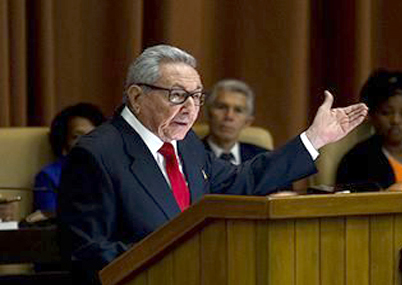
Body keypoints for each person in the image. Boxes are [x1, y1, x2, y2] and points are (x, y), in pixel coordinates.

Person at [58, 44, 367, 272]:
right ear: (137, 97)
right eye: (177, 95)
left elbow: (241, 180)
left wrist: (315, 139)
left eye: (197, 97)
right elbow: (88, 253)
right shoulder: (96, 154)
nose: (191, 109)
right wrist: (181, 259)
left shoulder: (187, 144)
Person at [34, 103, 106, 213]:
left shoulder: (113, 172)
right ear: (63, 143)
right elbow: (48, 218)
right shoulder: (49, 176)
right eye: (77, 136)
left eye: (93, 135)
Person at [202, 78, 267, 165]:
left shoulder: (261, 159)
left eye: (238, 110)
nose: (229, 116)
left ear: (248, 122)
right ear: (208, 114)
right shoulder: (190, 155)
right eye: (221, 107)